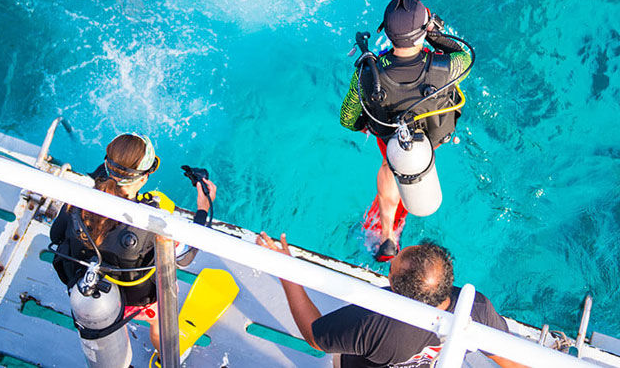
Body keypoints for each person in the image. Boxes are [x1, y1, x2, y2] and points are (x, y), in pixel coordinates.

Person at [255, 235, 526, 368]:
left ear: (396, 290)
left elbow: (316, 337)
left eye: (391, 270)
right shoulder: (475, 308)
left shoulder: (375, 321)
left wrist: (287, 272)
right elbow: (509, 359)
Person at [50, 133, 216, 348]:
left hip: (88, 290)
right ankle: (164, 356)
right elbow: (185, 257)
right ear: (144, 177)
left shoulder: (78, 201)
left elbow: (56, 235)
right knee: (161, 323)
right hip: (137, 302)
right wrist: (203, 208)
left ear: (106, 164)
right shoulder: (151, 221)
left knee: (110, 319)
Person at [340, 0, 473, 260]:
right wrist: (434, 34)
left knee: (390, 168)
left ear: (386, 33)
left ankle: (387, 236)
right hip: (433, 135)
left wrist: (364, 126)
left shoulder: (368, 74)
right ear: (423, 30)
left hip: (391, 139)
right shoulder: (448, 68)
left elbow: (347, 118)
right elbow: (465, 54)